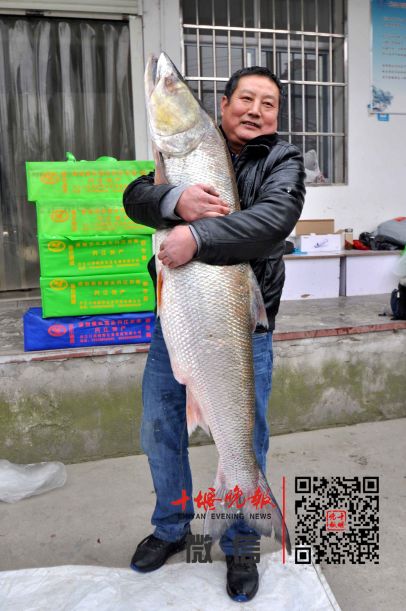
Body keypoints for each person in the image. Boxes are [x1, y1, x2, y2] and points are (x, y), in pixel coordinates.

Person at [123, 66, 305, 603]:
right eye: (246, 98)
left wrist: (196, 236)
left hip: (241, 330)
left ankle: (241, 543)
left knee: (243, 439)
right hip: (179, 326)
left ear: (276, 115)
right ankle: (171, 527)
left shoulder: (282, 160)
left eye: (268, 103)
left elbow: (273, 221)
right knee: (159, 430)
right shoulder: (190, 152)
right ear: (222, 106)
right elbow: (134, 198)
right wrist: (173, 201)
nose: (255, 110)